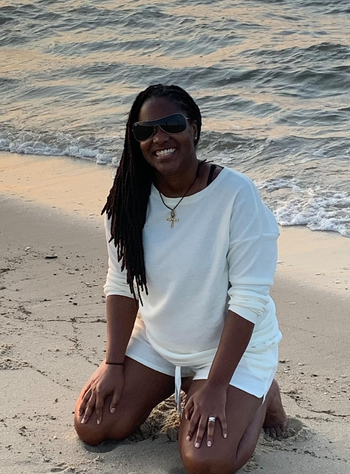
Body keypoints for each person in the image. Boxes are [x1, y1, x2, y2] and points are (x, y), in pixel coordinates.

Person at [74, 84, 288, 474]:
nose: (159, 138)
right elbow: (121, 285)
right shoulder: (127, 201)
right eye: (145, 131)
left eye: (170, 124)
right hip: (159, 343)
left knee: (206, 461)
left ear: (194, 128)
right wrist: (113, 363)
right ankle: (191, 384)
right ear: (135, 140)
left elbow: (248, 299)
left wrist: (219, 387)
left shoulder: (236, 195)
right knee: (94, 426)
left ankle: (259, 392)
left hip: (227, 351)